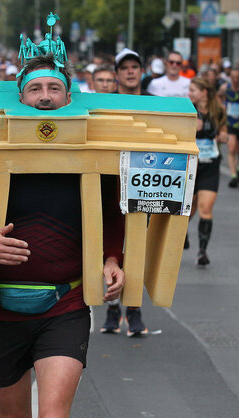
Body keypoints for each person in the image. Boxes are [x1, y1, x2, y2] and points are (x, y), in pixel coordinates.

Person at [0, 51, 125, 417]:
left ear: (69, 98)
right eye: (35, 89)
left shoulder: (93, 152)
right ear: (20, 98)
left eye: (54, 87)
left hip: (65, 305)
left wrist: (113, 258)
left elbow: (112, 214)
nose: (45, 96)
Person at [102, 48, 147, 337]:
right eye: (125, 68)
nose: (131, 71)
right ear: (117, 74)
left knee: (137, 248)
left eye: (135, 66)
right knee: (111, 247)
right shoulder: (106, 105)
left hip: (145, 186)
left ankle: (134, 309)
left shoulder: (157, 105)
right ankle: (112, 306)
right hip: (110, 184)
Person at [188, 77, 228, 265]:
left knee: (205, 208)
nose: (189, 94)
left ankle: (202, 251)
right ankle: (182, 233)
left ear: (204, 92)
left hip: (210, 165)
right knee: (190, 207)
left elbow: (224, 132)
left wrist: (223, 136)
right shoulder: (187, 110)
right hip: (190, 164)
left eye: (193, 90)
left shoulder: (218, 110)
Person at [218, 67, 239, 188]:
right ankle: (234, 176)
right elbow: (217, 96)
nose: (235, 80)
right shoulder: (225, 87)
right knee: (231, 149)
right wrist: (222, 106)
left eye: (237, 77)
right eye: (233, 77)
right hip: (230, 122)